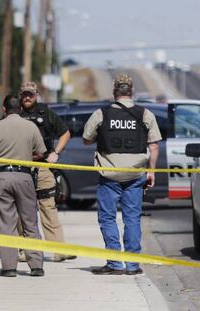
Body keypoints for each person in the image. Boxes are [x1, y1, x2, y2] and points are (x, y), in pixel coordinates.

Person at [83, 74, 162, 275]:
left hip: (109, 176)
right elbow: (153, 146)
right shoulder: (145, 114)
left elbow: (86, 139)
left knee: (108, 218)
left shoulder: (101, 114)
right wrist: (151, 171)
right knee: (132, 218)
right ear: (132, 91)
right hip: (135, 176)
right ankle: (133, 265)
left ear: (114, 91)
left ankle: (115, 263)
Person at [0, 94, 46, 277]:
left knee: (5, 223)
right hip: (24, 176)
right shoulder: (31, 127)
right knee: (30, 222)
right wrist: (26, 156)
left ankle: (9, 267)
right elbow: (41, 152)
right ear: (20, 108)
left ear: (4, 109)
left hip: (2, 176)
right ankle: (36, 266)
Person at [19, 81, 74, 262]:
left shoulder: (46, 113)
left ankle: (58, 250)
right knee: (22, 210)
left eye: (31, 94)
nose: (27, 97)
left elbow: (65, 133)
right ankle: (22, 250)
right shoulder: (15, 113)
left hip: (43, 167)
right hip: (22, 168)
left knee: (48, 209)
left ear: (37, 95)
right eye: (24, 94)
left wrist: (56, 153)